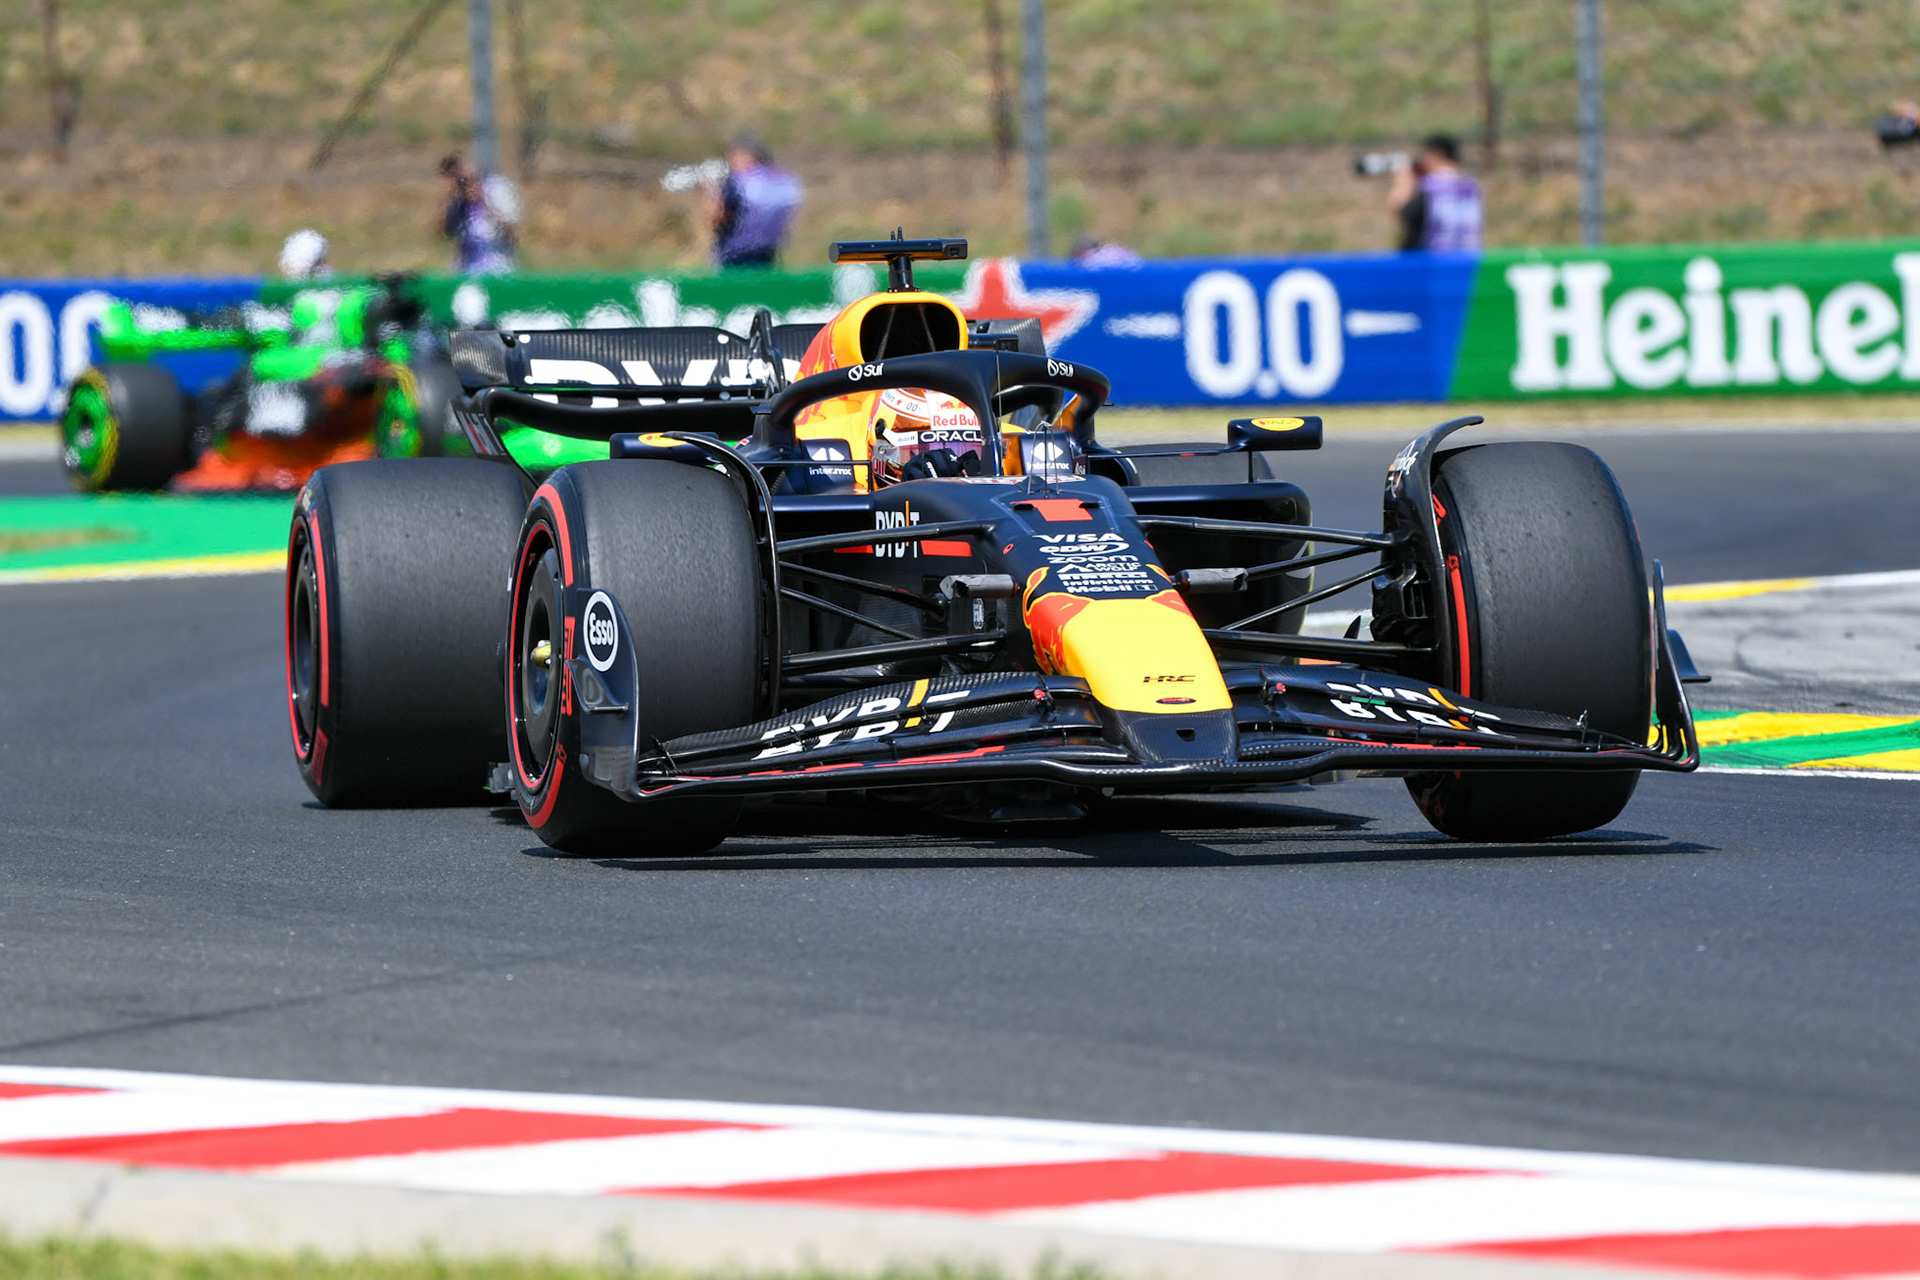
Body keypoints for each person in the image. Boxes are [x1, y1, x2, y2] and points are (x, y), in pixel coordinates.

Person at [705, 136, 803, 269]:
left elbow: (718, 216)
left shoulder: (736, 183)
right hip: (768, 250)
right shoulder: (779, 180)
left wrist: (712, 191)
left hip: (734, 253)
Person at [1387, 134, 1483, 252]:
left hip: (1429, 262)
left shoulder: (1430, 187)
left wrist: (1403, 183)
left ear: (1435, 155)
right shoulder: (1471, 187)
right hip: (1466, 261)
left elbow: (1403, 213)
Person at [438, 154, 521, 276]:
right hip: (467, 273)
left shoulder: (497, 189)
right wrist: (446, 198)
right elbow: (441, 235)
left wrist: (483, 201)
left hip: (498, 271)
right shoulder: (459, 203)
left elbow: (512, 234)